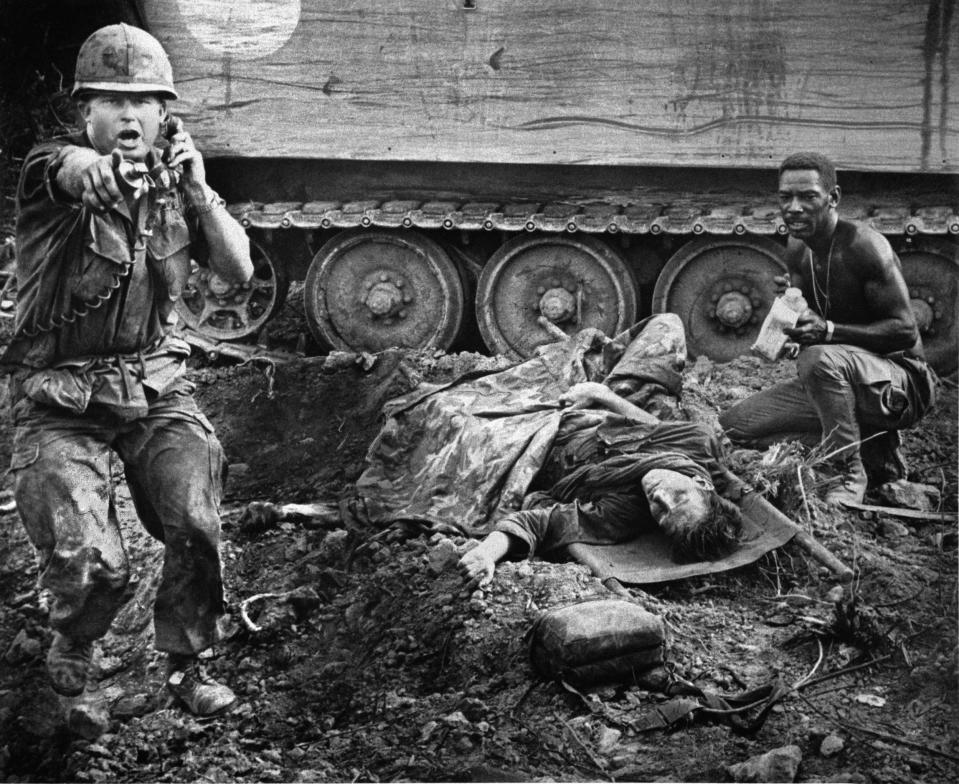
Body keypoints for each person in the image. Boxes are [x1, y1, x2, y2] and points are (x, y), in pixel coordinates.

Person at [1, 24, 253, 715]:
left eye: (143, 101)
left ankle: (185, 665)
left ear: (165, 113)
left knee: (194, 514)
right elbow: (68, 172)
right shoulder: (53, 169)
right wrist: (97, 173)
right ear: (85, 113)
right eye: (110, 102)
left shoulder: (175, 186)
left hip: (152, 386)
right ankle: (76, 637)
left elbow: (238, 270)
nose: (128, 114)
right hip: (60, 400)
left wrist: (200, 192)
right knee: (94, 563)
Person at [719, 152, 938, 506]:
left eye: (808, 197)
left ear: (833, 198)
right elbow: (816, 320)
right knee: (733, 426)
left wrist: (828, 330)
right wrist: (793, 319)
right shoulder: (798, 249)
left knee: (818, 360)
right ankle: (869, 447)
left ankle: (849, 473)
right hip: (842, 378)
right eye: (785, 197)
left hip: (903, 383)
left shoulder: (864, 247)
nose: (793, 207)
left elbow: (905, 331)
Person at [458, 381, 743, 588]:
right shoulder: (698, 445)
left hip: (537, 443)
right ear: (701, 485)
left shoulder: (622, 512)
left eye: (663, 516)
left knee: (457, 415)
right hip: (586, 414)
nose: (660, 499)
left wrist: (487, 553)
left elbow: (540, 523)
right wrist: (601, 393)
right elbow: (654, 428)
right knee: (665, 325)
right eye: (678, 498)